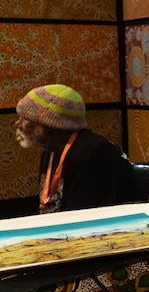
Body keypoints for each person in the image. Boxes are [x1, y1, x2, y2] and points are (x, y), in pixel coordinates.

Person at [15, 83, 135, 214]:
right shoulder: (49, 151)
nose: (18, 124)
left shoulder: (93, 155)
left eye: (25, 119)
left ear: (50, 125)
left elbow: (84, 221)